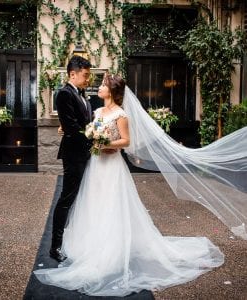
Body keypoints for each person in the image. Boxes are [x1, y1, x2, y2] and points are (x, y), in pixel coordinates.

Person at [34, 74, 238, 297]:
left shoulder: (121, 114)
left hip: (111, 166)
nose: (99, 87)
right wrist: (70, 130)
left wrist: (105, 143)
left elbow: (126, 141)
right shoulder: (97, 112)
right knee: (94, 203)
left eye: (102, 85)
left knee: (112, 205)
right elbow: (87, 129)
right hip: (96, 166)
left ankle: (112, 249)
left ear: (112, 90)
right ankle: (92, 244)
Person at [50, 55, 92, 262]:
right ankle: (55, 246)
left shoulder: (81, 93)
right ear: (72, 74)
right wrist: (95, 137)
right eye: (85, 75)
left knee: (82, 197)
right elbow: (73, 128)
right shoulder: (64, 94)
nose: (87, 79)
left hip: (86, 153)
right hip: (74, 154)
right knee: (67, 198)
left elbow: (85, 122)